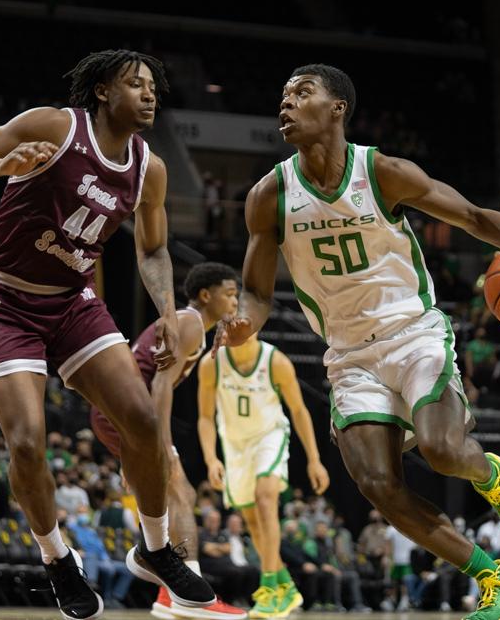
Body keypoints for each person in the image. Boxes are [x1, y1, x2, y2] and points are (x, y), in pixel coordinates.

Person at [217, 64, 500, 620]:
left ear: (337, 108)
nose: (286, 104)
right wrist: (245, 320)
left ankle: (492, 476)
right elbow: (258, 292)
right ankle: (497, 580)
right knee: (380, 487)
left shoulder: (381, 172)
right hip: (349, 355)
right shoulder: (269, 195)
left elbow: (476, 218)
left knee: (443, 451)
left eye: (302, 93)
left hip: (414, 335)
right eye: (283, 95)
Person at [0, 49, 216, 617]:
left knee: (141, 419)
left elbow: (154, 247)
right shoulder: (55, 127)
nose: (151, 93)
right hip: (7, 300)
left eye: (155, 85)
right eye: (137, 84)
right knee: (28, 442)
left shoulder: (148, 168)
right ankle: (57, 558)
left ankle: (155, 548)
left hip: (73, 302)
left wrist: (164, 308)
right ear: (105, 92)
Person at [90, 263, 246, 620]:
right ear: (206, 295)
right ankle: (191, 594)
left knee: (176, 492)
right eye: (230, 293)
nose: (236, 300)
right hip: (126, 410)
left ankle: (166, 584)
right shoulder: (189, 323)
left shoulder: (194, 325)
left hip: (121, 410)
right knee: (178, 489)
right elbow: (160, 384)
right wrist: (163, 445)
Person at [197, 329, 330, 619]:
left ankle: (268, 587)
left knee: (266, 498)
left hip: (269, 437)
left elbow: (298, 410)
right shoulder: (212, 363)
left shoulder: (276, 361)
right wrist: (210, 458)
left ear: (255, 325)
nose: (231, 328)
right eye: (226, 322)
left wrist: (314, 459)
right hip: (235, 445)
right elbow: (205, 417)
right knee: (253, 522)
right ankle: (288, 588)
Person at [199, 509, 259, 606]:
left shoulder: (222, 534)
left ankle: (249, 601)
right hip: (211, 567)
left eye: (216, 520)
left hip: (227, 565)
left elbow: (228, 549)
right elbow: (207, 549)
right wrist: (221, 548)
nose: (214, 522)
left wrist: (214, 547)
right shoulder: (201, 534)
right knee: (235, 573)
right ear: (206, 520)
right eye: (211, 520)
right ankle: (230, 601)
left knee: (253, 570)